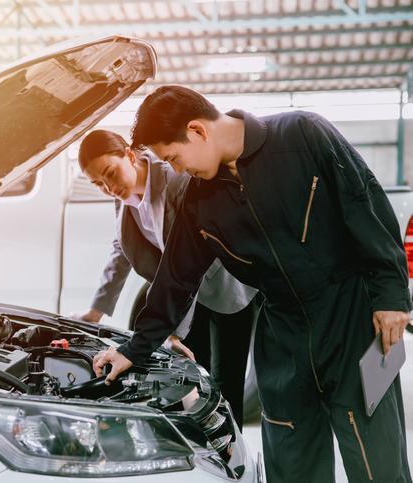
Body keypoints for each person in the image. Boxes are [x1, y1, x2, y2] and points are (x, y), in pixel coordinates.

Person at [92, 85, 411, 483]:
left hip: (353, 322)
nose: (174, 170)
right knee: (292, 464)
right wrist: (135, 349)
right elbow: (175, 277)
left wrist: (392, 296)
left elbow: (366, 205)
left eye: (173, 157)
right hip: (281, 336)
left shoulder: (304, 134)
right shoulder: (198, 199)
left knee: (377, 459)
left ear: (197, 130)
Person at [77, 129, 259, 429]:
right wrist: (96, 310)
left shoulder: (176, 181)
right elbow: (120, 250)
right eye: (98, 184)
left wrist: (170, 330)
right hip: (184, 295)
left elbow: (188, 264)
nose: (108, 187)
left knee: (226, 381)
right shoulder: (122, 196)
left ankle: (230, 450)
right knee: (190, 377)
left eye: (110, 173)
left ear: (130, 155)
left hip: (224, 286)